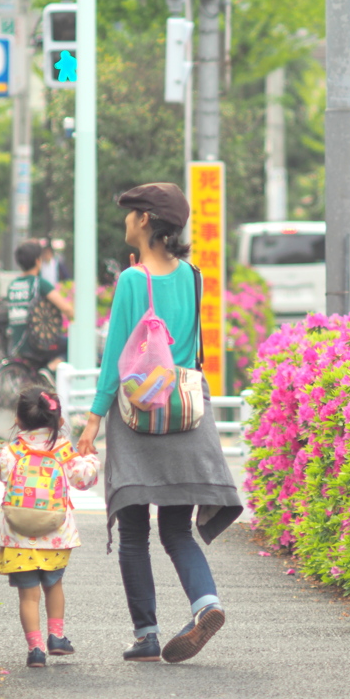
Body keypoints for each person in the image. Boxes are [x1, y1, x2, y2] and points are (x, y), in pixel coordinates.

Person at [76, 182, 243, 664]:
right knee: (176, 530)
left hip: (137, 416)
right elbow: (188, 350)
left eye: (130, 214)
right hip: (185, 414)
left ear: (146, 220)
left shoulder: (132, 281)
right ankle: (206, 602)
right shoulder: (194, 275)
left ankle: (146, 635)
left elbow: (115, 360)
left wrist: (91, 421)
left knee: (133, 531)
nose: (125, 222)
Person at [0, 386, 101, 668]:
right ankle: (57, 637)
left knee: (28, 596)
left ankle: (36, 649)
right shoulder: (62, 449)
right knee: (54, 585)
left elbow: (2, 474)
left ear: (18, 420)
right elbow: (84, 479)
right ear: (58, 421)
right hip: (55, 534)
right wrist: (91, 459)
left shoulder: (12, 450)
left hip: (18, 535)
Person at [6, 240, 75, 377]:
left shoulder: (13, 285)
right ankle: (49, 370)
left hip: (17, 342)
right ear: (38, 261)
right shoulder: (39, 284)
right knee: (74, 345)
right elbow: (66, 309)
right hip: (37, 343)